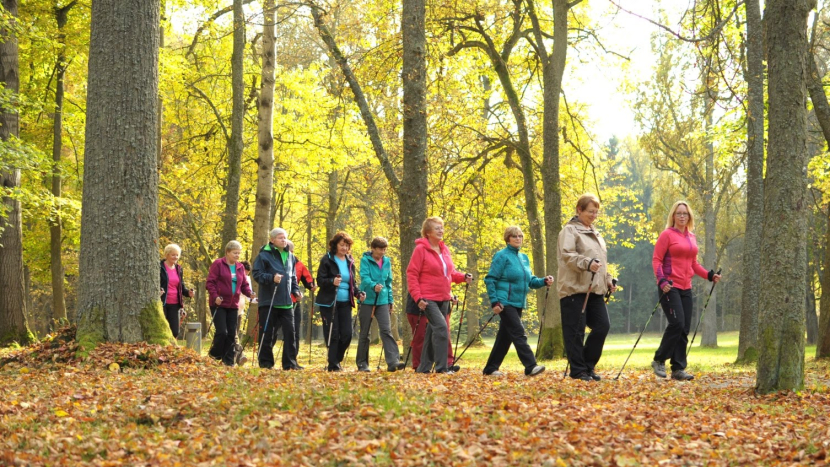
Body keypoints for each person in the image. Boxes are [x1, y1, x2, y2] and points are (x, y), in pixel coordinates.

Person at [651, 201, 721, 381]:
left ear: (689, 217)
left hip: (686, 287)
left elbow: (693, 264)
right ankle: (659, 359)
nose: (682, 216)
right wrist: (662, 281)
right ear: (673, 216)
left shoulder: (691, 237)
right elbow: (657, 260)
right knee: (677, 323)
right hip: (670, 286)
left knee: (684, 328)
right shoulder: (667, 235)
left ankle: (678, 369)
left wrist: (709, 275)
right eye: (678, 213)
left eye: (685, 213)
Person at [557, 194, 615, 381]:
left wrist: (608, 279)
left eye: (596, 212)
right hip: (574, 288)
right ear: (579, 210)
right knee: (576, 331)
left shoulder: (596, 233)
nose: (594, 215)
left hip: (595, 290)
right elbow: (567, 256)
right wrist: (587, 263)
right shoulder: (569, 231)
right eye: (590, 211)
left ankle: (588, 366)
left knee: (602, 326)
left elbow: (602, 262)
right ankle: (578, 370)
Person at [483, 226, 551, 377]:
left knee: (505, 337)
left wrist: (543, 281)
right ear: (507, 238)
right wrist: (494, 301)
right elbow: (490, 279)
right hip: (504, 301)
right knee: (518, 332)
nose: (518, 238)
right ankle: (530, 366)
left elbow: (530, 280)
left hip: (518, 302)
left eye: (520, 236)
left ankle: (490, 368)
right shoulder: (502, 256)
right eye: (514, 236)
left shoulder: (524, 257)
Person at [406, 217, 472, 374]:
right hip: (428, 298)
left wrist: (463, 277)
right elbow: (412, 274)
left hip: (444, 298)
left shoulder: (444, 249)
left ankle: (423, 368)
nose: (441, 230)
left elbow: (451, 273)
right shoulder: (420, 250)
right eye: (437, 228)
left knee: (431, 333)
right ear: (428, 232)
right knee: (442, 329)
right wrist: (418, 298)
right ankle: (443, 368)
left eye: (442, 227)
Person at [253, 228, 302, 370]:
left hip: (287, 302)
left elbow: (292, 277)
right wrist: (271, 278)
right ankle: (266, 363)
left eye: (285, 237)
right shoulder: (263, 255)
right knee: (267, 334)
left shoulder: (291, 256)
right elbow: (256, 274)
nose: (283, 240)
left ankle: (290, 364)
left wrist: (296, 290)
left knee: (290, 334)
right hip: (269, 301)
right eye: (280, 238)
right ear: (272, 240)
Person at [316, 232, 365, 372]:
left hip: (345, 302)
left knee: (347, 335)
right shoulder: (327, 259)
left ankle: (335, 359)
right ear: (335, 245)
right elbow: (320, 280)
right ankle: (333, 364)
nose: (344, 248)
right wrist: (332, 281)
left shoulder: (350, 261)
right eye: (342, 245)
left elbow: (352, 283)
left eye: (347, 245)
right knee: (333, 333)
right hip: (329, 302)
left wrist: (358, 293)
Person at [356, 237, 406, 372]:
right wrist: (373, 286)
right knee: (365, 332)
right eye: (380, 249)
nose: (382, 252)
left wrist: (390, 300)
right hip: (367, 299)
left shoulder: (387, 262)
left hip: (382, 300)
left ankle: (393, 362)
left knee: (386, 330)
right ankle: (362, 363)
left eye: (384, 249)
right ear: (373, 248)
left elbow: (388, 282)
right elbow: (364, 278)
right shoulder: (365, 260)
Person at [206, 240, 255, 366]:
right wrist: (215, 296)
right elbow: (210, 282)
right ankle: (214, 355)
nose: (237, 255)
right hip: (219, 303)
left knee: (232, 334)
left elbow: (244, 285)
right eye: (234, 253)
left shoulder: (240, 267)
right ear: (227, 252)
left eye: (239, 253)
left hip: (233, 304)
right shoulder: (218, 264)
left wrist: (250, 293)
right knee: (222, 331)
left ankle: (228, 361)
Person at [286, 240, 316, 368]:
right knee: (273, 331)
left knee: (294, 332)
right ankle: (267, 361)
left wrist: (311, 286)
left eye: (290, 251)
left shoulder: (299, 265)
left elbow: (307, 280)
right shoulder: (275, 263)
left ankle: (293, 361)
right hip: (276, 302)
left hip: (294, 302)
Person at [159, 244, 195, 340]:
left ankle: (169, 349)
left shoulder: (179, 269)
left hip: (175, 303)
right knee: (162, 329)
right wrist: (157, 291)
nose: (175, 257)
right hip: (163, 302)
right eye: (173, 255)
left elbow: (181, 286)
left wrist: (188, 293)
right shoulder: (159, 267)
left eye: (177, 255)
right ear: (167, 255)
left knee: (175, 331)